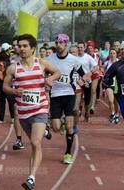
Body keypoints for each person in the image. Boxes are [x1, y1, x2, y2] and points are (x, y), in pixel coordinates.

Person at [3, 34, 60, 190]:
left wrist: (50, 79)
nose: (21, 49)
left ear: (32, 48)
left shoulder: (41, 63)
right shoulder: (13, 68)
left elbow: (57, 72)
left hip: (40, 109)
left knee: (35, 142)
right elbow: (4, 87)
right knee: (34, 145)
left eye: (25, 46)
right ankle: (31, 178)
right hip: (23, 113)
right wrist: (14, 91)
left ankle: (31, 177)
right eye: (19, 46)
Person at [47, 34, 85, 164]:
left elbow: (83, 74)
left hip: (69, 94)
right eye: (56, 43)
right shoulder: (50, 58)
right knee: (56, 127)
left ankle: (68, 153)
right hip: (55, 95)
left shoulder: (73, 60)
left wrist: (83, 80)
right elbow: (44, 72)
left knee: (70, 127)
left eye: (61, 43)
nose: (58, 45)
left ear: (66, 44)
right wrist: (47, 80)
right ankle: (60, 124)